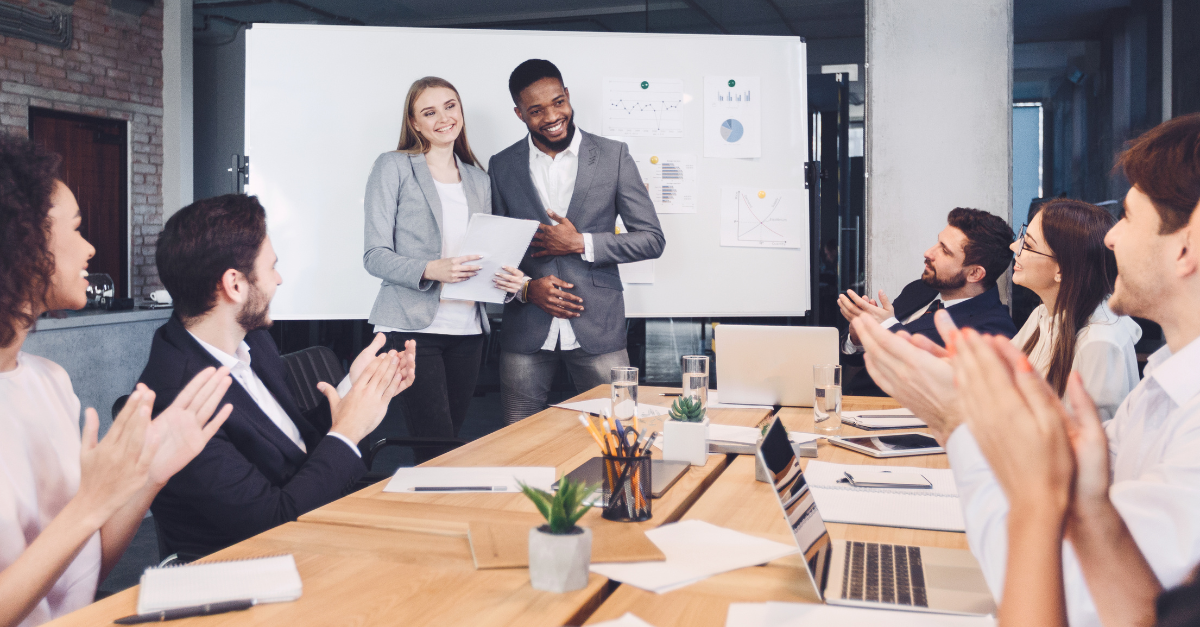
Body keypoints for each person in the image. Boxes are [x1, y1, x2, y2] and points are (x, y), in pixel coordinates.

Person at [852, 112, 1200, 627]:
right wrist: (980, 397)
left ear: (1187, 246)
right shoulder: (1164, 383)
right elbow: (1077, 495)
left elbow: (1071, 590)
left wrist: (961, 424)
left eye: (1127, 217)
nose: (1110, 239)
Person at [0, 134, 234, 626]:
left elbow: (74, 581)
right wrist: (88, 506)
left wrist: (150, 476)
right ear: (21, 239)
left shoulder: (48, 380)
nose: (89, 248)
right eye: (77, 229)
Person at [139, 194, 416, 562]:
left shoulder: (253, 341)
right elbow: (272, 524)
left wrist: (358, 385)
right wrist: (348, 431)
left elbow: (296, 447)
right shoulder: (178, 398)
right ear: (234, 285)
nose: (279, 279)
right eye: (272, 268)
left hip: (318, 535)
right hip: (251, 574)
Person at [488, 59, 665, 424]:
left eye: (557, 102)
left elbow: (651, 240)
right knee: (518, 441)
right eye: (536, 110)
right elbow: (495, 253)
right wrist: (526, 289)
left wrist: (580, 243)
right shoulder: (502, 165)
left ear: (567, 96)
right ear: (520, 114)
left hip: (598, 325)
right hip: (526, 328)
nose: (551, 116)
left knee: (621, 431)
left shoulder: (614, 156)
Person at [363, 76, 525, 458]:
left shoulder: (478, 179)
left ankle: (440, 513)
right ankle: (432, 515)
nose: (443, 118)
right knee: (434, 445)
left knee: (448, 444)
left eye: (450, 106)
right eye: (429, 112)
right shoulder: (394, 167)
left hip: (468, 331)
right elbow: (374, 255)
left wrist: (511, 279)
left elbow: (486, 256)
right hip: (411, 327)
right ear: (414, 123)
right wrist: (432, 269)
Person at [838, 207, 1017, 393]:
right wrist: (858, 339)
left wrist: (885, 326)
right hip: (851, 403)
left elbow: (932, 381)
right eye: (938, 243)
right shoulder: (920, 289)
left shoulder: (993, 330)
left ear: (974, 273)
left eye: (945, 251)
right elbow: (866, 359)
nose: (928, 253)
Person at [1007, 199, 1140, 420]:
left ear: (1062, 269)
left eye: (1028, 245)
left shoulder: (1098, 341)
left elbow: (1096, 440)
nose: (1014, 247)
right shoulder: (1044, 314)